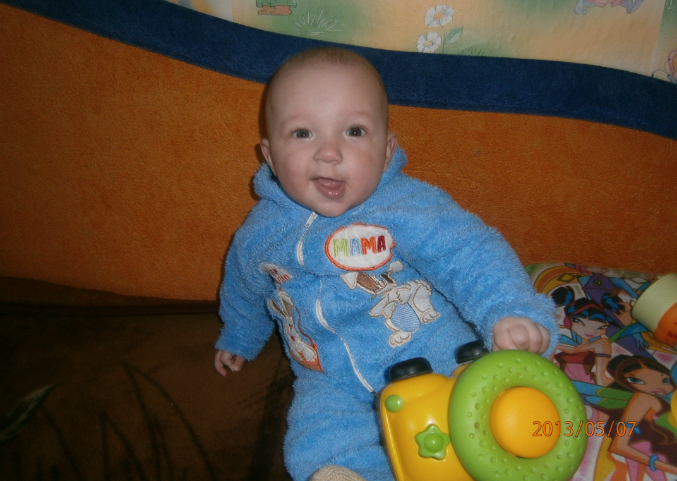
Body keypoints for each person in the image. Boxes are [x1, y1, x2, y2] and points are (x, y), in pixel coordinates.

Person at [213, 47, 558, 481]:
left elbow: (469, 252)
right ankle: (349, 472)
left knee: (485, 415)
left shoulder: (407, 206)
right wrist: (240, 336)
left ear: (387, 148)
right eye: (302, 133)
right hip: (329, 378)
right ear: (269, 155)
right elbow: (244, 287)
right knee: (315, 441)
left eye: (354, 131)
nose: (329, 152)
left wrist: (509, 310)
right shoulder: (259, 234)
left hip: (432, 352)